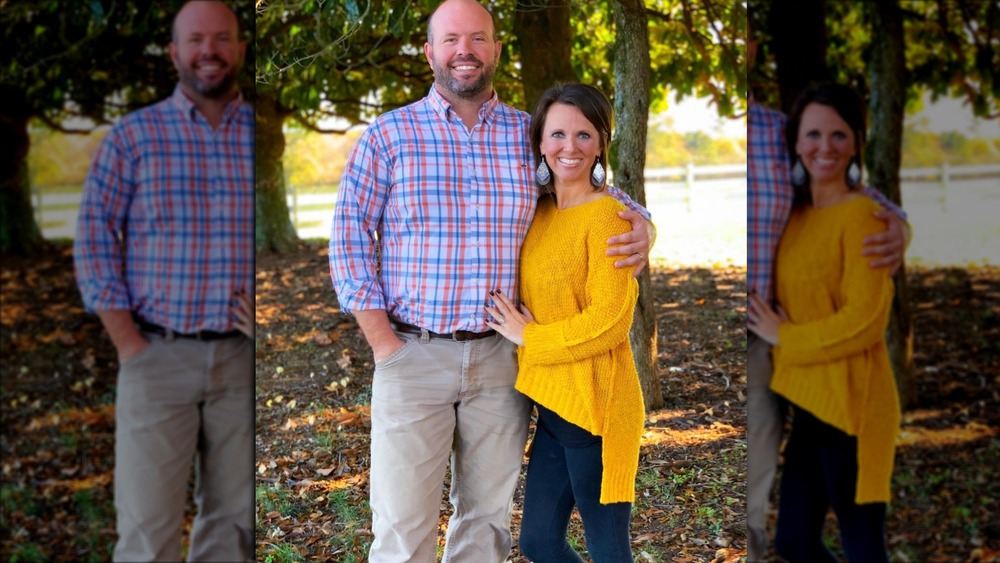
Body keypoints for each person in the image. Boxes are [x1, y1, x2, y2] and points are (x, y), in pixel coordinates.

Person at [329, 0, 655, 560]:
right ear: (429, 51)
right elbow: (349, 240)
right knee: (403, 529)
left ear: (496, 49)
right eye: (451, 39)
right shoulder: (388, 136)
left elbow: (590, 193)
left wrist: (644, 226)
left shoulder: (526, 136)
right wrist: (385, 345)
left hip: (503, 360)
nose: (465, 51)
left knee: (485, 524)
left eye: (478, 39)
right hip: (413, 354)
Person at [73, 1, 253, 560]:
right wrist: (129, 344)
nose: (209, 51)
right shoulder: (134, 137)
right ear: (174, 52)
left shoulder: (261, 134)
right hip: (157, 357)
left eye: (222, 38)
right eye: (195, 40)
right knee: (147, 532)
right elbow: (94, 238)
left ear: (241, 48)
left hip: (244, 360)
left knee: (233, 528)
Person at [745, 23, 909, 562]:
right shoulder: (800, 214)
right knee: (794, 540)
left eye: (839, 135)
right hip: (810, 403)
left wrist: (783, 337)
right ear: (793, 141)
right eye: (813, 135)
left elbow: (866, 319)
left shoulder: (863, 214)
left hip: (852, 403)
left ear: (857, 142)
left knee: (864, 546)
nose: (825, 147)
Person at [484, 83, 644, 563]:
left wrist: (528, 337)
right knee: (538, 542)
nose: (568, 147)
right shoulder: (539, 211)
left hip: (595, 408)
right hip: (554, 407)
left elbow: (608, 323)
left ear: (600, 144)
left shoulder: (611, 220)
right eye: (557, 134)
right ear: (539, 141)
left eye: (583, 135)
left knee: (610, 551)